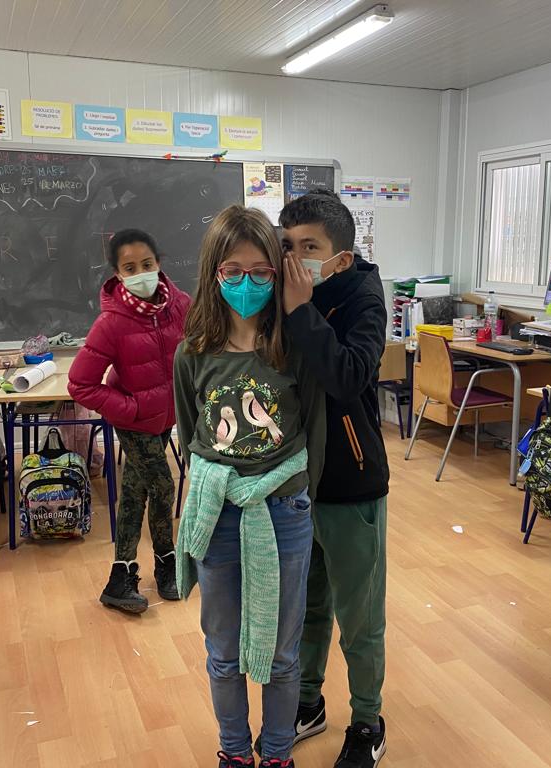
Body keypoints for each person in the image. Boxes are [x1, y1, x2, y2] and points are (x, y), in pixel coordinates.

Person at [173, 205, 325, 768]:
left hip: (284, 511)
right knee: (223, 651)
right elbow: (191, 434)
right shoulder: (192, 353)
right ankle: (234, 753)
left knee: (283, 654)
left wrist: (292, 495)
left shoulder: (294, 349)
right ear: (213, 273)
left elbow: (312, 431)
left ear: (278, 273)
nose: (247, 283)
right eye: (233, 271)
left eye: (261, 272)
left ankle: (278, 754)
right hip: (217, 513)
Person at [277, 189, 390, 767]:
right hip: (297, 483)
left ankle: (368, 720)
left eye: (309, 247)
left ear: (340, 258)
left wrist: (300, 312)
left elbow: (348, 376)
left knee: (359, 618)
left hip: (351, 482)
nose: (294, 258)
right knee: (307, 606)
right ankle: (307, 702)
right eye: (287, 246)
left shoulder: (363, 300)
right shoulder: (287, 294)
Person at [68, 229, 191, 614]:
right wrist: (131, 408)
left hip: (165, 420)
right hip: (136, 423)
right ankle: (167, 565)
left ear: (159, 263)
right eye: (130, 268)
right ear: (118, 274)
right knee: (164, 487)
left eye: (147, 264)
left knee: (136, 494)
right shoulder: (111, 323)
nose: (141, 274)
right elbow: (80, 384)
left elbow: (199, 349)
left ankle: (119, 578)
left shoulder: (180, 305)